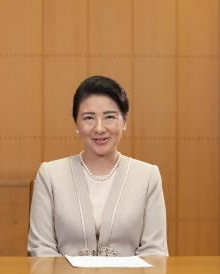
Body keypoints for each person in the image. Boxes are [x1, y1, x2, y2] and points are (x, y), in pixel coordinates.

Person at [28, 75, 168, 257]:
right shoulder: (50, 174)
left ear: (125, 120)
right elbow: (41, 249)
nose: (99, 128)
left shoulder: (148, 176)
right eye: (89, 118)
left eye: (109, 117)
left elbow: (154, 251)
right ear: (76, 123)